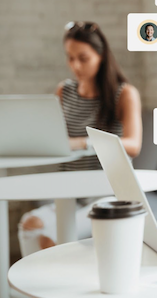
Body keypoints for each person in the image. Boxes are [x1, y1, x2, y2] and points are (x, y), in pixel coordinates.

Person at [18, 21, 142, 256]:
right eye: (70, 58)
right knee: (29, 224)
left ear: (101, 55)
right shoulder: (64, 90)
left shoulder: (124, 93)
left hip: (108, 190)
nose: (75, 65)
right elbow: (54, 138)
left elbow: (133, 145)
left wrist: (82, 142)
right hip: (69, 190)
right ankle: (29, 291)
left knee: (52, 236)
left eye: (83, 58)